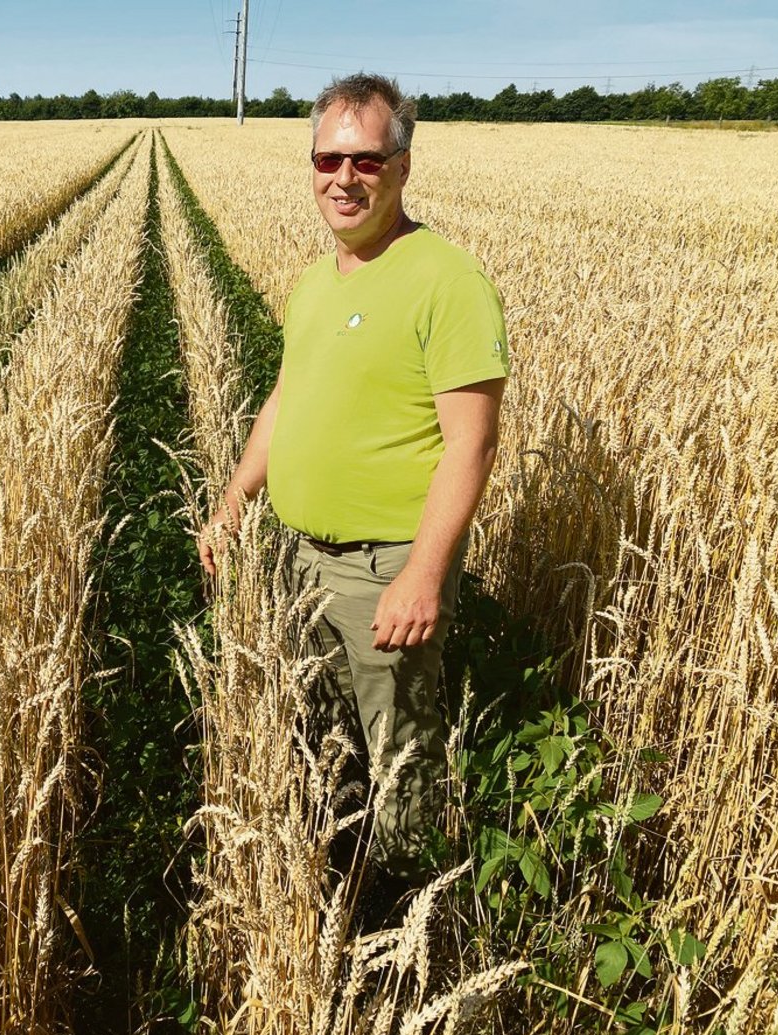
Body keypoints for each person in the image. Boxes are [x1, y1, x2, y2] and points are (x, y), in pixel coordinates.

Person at [197, 73, 509, 885]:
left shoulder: (447, 281)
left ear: (403, 167)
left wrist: (424, 573)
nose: (344, 178)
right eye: (328, 159)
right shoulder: (312, 282)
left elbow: (471, 444)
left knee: (403, 763)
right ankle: (332, 891)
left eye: (366, 161)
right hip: (299, 560)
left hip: (383, 573)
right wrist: (235, 504)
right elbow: (285, 397)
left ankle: (414, 920)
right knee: (322, 744)